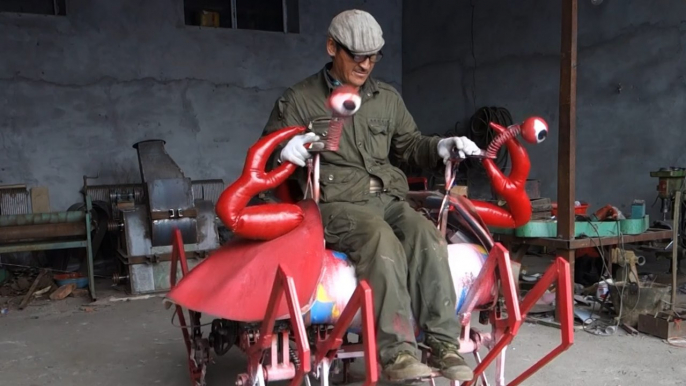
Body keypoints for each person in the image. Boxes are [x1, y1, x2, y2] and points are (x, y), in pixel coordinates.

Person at [261, 9, 480, 383]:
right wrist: (284, 149)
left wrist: (442, 145)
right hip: (334, 203)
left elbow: (410, 146)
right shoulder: (299, 100)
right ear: (332, 47)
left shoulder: (386, 99)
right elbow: (265, 157)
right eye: (357, 55)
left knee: (426, 235)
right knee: (379, 239)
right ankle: (397, 354)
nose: (366, 64)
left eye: (373, 56)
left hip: (389, 198)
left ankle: (442, 345)